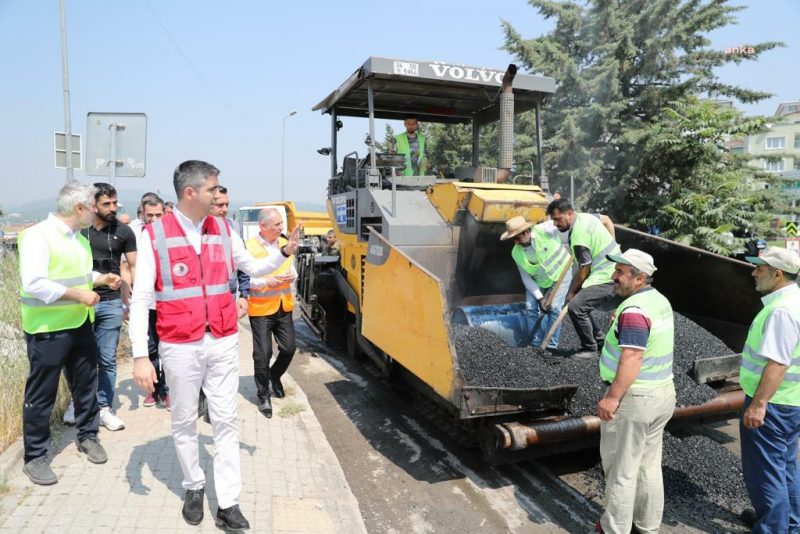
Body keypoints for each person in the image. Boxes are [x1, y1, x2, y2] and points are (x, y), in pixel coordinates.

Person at [129, 160, 301, 529]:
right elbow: (142, 298)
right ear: (191, 193)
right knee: (184, 420)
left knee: (226, 420)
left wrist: (283, 253)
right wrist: (141, 356)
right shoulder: (154, 234)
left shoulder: (224, 228)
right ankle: (193, 485)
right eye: (213, 189)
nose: (219, 194)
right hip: (179, 345)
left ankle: (228, 502)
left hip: (222, 340)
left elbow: (251, 268)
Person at [18, 182, 121, 485]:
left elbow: (74, 274)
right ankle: (35, 456)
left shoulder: (80, 240)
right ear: (79, 208)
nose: (96, 212)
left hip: (79, 325)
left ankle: (88, 437)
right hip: (48, 330)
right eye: (93, 206)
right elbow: (34, 283)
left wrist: (100, 279)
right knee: (42, 395)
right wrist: (78, 295)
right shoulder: (37, 236)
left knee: (86, 386)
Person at [596, 249, 675, 534]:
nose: (614, 276)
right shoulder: (658, 300)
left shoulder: (634, 311)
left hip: (635, 399)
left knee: (621, 470)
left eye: (620, 272)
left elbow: (632, 357)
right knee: (648, 465)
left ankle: (614, 529)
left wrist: (612, 398)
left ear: (640, 278)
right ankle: (647, 526)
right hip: (662, 393)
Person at [739, 247, 800, 533]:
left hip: (773, 405)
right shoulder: (794, 301)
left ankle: (773, 528)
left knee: (766, 474)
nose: (754, 272)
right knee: (785, 468)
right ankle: (790, 524)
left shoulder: (781, 312)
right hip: (791, 402)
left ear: (777, 274)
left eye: (759, 269)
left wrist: (758, 404)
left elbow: (777, 363)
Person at [69, 182, 137, 432]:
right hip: (80, 302)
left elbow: (132, 266)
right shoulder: (78, 230)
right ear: (92, 205)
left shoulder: (124, 232)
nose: (112, 208)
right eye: (106, 204)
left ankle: (104, 406)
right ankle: (77, 404)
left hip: (110, 304)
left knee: (107, 359)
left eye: (114, 203)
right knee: (78, 358)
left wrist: (128, 294)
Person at [547, 198, 620, 359]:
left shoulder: (579, 236)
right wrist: (614, 244)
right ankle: (600, 341)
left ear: (569, 213)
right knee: (581, 305)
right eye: (553, 220)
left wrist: (572, 292)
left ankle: (589, 348)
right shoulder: (586, 216)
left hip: (607, 275)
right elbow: (607, 219)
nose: (555, 224)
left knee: (576, 307)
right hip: (614, 268)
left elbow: (584, 269)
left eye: (558, 219)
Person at [245, 208, 298, 418]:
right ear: (263, 226)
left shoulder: (285, 245)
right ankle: (263, 395)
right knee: (263, 354)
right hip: (261, 309)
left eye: (281, 224)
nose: (281, 228)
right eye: (277, 225)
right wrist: (265, 281)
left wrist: (291, 276)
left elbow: (290, 267)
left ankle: (274, 376)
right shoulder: (249, 247)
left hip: (283, 305)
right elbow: (243, 279)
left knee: (289, 348)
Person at [500, 215, 572, 349]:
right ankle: (535, 343)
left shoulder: (545, 230)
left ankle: (550, 346)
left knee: (554, 309)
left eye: (517, 237)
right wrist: (540, 298)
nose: (516, 242)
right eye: (513, 239)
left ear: (527, 232)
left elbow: (565, 221)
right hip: (539, 281)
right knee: (531, 308)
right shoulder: (516, 253)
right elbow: (526, 278)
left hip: (561, 273)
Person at [137, 196, 171, 410]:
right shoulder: (137, 235)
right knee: (150, 350)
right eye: (149, 215)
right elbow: (130, 268)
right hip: (146, 304)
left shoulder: (172, 237)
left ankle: (167, 391)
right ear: (142, 214)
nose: (154, 219)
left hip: (168, 304)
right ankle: (154, 390)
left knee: (167, 350)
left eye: (158, 215)